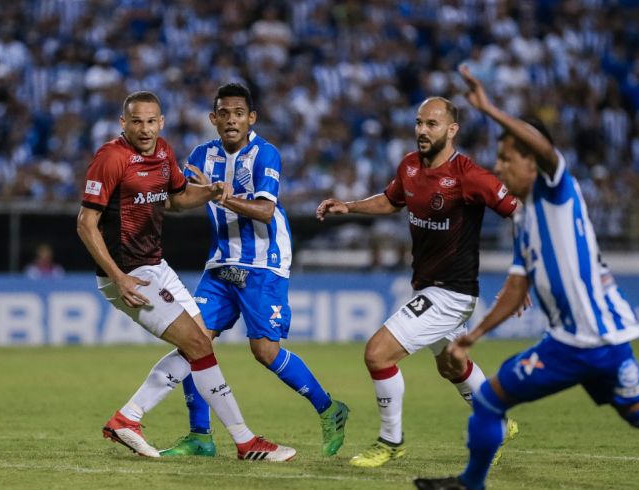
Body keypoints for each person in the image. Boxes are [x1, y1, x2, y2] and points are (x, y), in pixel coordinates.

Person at [414, 66, 639, 490]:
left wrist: (488, 109)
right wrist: (472, 336)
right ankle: (470, 485)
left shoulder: (557, 188)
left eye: (509, 158)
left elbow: (545, 147)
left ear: (532, 159)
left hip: (593, 341)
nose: (500, 166)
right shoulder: (525, 219)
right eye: (500, 158)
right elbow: (515, 286)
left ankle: (470, 485)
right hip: (581, 343)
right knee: (493, 402)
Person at [77, 90, 295, 461]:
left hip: (156, 265)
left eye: (151, 121)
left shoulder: (163, 152)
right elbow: (85, 223)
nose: (144, 129)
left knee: (199, 345)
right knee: (197, 345)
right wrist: (118, 277)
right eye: (136, 121)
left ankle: (128, 419)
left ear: (160, 122)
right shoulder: (111, 158)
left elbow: (177, 199)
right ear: (123, 123)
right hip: (130, 273)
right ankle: (244, 442)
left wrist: (211, 192)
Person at [316, 96, 521, 468]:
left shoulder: (469, 175)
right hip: (426, 286)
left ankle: (391, 441)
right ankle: (498, 421)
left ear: (452, 129)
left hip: (452, 293)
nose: (422, 131)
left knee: (378, 352)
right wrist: (351, 206)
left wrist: (523, 272)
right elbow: (393, 201)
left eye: (432, 124)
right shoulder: (410, 166)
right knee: (452, 366)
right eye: (419, 123)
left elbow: (518, 213)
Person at [159, 82, 349, 458]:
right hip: (220, 264)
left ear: (251, 118)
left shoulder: (266, 154)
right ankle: (200, 436)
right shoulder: (201, 155)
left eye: (239, 113)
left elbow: (264, 210)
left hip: (264, 263)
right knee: (192, 341)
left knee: (264, 351)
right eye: (224, 113)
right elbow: (178, 200)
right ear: (213, 119)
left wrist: (221, 195)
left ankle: (330, 409)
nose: (232, 120)